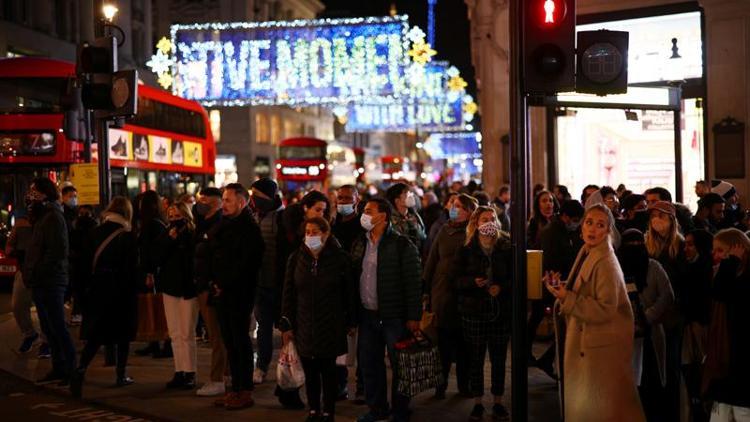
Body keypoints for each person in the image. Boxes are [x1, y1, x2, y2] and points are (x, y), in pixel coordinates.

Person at [546, 204, 645, 421]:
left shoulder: (606, 262)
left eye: (600, 225)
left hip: (597, 350)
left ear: (608, 230)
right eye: (589, 222)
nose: (592, 229)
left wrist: (566, 297)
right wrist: (562, 288)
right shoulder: (588, 251)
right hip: (590, 345)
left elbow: (605, 309)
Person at [351, 198, 422, 422]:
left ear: (383, 216)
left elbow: (413, 283)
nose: (364, 214)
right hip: (367, 314)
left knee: (400, 365)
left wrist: (413, 316)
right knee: (370, 364)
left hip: (394, 316)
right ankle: (377, 408)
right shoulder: (360, 243)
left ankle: (401, 410)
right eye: (363, 210)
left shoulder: (401, 245)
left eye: (369, 211)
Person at [280, 217, 355, 422]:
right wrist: (286, 323)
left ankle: (328, 410)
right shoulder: (296, 258)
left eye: (315, 231)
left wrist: (350, 321)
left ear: (326, 234)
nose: (311, 235)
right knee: (310, 371)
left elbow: (349, 292)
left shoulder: (340, 258)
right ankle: (313, 409)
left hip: (331, 323)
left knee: (329, 371)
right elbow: (288, 293)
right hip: (303, 323)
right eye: (308, 232)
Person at [69, 197, 138, 398]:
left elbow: (82, 265)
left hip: (98, 289)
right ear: (127, 214)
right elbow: (132, 269)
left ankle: (80, 369)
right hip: (121, 291)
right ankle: (121, 374)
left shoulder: (95, 233)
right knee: (123, 334)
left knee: (96, 334)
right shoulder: (127, 235)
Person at [452, 206, 512, 421]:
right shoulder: (466, 248)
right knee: (475, 359)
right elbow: (456, 280)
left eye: (492, 219)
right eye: (484, 219)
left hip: (499, 312)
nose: (489, 222)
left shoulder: (506, 246)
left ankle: (498, 401)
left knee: (498, 358)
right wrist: (472, 282)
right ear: (476, 223)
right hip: (473, 311)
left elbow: (516, 277)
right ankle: (477, 403)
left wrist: (502, 287)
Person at [208, 183, 264, 410]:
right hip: (222, 292)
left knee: (240, 342)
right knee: (229, 342)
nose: (224, 204)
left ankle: (245, 390)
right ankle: (234, 388)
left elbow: (245, 265)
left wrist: (224, 283)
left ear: (241, 202)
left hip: (239, 294)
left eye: (228, 200)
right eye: (223, 199)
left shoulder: (249, 229)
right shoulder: (225, 224)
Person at [423, 194, 478, 398]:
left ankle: (465, 385)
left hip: (464, 295)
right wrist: (425, 287)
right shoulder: (444, 230)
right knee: (442, 345)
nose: (453, 209)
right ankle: (440, 385)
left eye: (458, 206)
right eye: (452, 205)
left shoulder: (473, 233)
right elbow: (432, 260)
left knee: (464, 346)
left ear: (469, 211)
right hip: (442, 292)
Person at [617, 229, 675, 421]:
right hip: (624, 335)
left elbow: (667, 296)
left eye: (637, 245)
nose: (634, 249)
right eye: (629, 245)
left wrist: (647, 316)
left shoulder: (654, 267)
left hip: (651, 333)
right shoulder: (616, 268)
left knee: (651, 382)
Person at [24, 178, 77, 385]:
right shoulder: (43, 215)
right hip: (42, 280)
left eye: (34, 191)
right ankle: (59, 367)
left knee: (57, 327)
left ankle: (70, 369)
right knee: (49, 328)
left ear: (44, 194)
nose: (31, 195)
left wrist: (39, 271)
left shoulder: (53, 216)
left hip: (51, 280)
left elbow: (57, 251)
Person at [533, 199, 584, 377]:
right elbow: (551, 261)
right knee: (564, 327)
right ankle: (549, 361)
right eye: (575, 219)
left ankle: (548, 361)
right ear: (565, 217)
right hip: (558, 285)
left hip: (567, 284)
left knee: (566, 328)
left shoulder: (571, 232)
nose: (577, 223)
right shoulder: (551, 233)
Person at [646, 201, 687, 421]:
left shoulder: (679, 246)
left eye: (661, 217)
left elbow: (682, 281)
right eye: (653, 217)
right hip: (652, 312)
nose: (656, 221)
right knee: (653, 365)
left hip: (672, 315)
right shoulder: (647, 245)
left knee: (671, 363)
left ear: (671, 220)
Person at [703, 229, 750, 421]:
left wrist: (731, 261)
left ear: (737, 250)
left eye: (720, 251)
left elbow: (723, 292)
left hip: (741, 361)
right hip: (728, 360)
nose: (715, 256)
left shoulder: (741, 275)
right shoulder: (730, 272)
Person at [250, 178, 290, 386]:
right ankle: (262, 367)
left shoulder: (283, 218)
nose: (253, 199)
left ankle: (289, 368)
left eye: (257, 195)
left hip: (280, 284)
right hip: (260, 283)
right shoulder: (253, 215)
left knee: (286, 329)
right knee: (263, 329)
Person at [192, 187, 228, 397]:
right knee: (216, 334)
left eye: (204, 200)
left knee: (217, 336)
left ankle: (218, 379)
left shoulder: (219, 225)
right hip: (202, 284)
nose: (200, 203)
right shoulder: (202, 223)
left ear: (215, 203)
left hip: (211, 286)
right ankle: (225, 375)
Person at [331, 184, 365, 402]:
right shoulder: (333, 225)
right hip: (338, 290)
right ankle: (340, 384)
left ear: (356, 200)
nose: (343, 202)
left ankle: (362, 385)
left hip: (360, 288)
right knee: (340, 342)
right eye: (340, 198)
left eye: (347, 198)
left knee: (363, 344)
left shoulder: (362, 227)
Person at [159, 202, 199, 390]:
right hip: (170, 287)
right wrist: (169, 240)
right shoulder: (166, 233)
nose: (174, 219)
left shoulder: (192, 234)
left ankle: (190, 371)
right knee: (175, 333)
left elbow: (192, 260)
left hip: (188, 288)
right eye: (171, 216)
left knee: (186, 332)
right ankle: (179, 370)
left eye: (177, 215)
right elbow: (156, 256)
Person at [134, 191, 171, 358]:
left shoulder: (153, 225)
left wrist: (149, 272)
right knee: (155, 308)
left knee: (158, 308)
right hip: (154, 271)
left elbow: (151, 250)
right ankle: (155, 342)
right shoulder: (155, 223)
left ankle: (163, 343)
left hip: (154, 273)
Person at [682, 229, 714, 422]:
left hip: (700, 324)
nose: (686, 249)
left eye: (690, 245)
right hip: (694, 324)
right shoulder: (692, 266)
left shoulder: (702, 269)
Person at [6, 214, 45, 355]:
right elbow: (9, 246)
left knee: (45, 309)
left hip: (45, 272)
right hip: (24, 271)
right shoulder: (21, 223)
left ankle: (47, 341)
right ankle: (30, 334)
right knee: (18, 305)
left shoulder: (52, 220)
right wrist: (16, 252)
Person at [68, 205, 97, 326]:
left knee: (81, 292)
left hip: (81, 266)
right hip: (85, 266)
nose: (84, 217)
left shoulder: (76, 229)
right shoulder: (95, 229)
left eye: (86, 214)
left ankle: (79, 314)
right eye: (81, 214)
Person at [386, 183, 426, 250]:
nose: (411, 195)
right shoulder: (389, 219)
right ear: (397, 200)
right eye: (406, 193)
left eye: (410, 192)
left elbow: (423, 236)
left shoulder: (415, 216)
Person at [424, 192, 458, 260]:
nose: (456, 205)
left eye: (459, 203)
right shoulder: (438, 226)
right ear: (446, 205)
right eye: (452, 201)